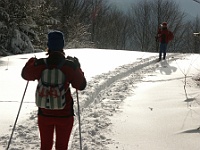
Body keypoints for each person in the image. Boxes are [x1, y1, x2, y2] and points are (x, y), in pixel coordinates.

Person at [21, 31, 87, 150]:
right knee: (62, 147)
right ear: (62, 45)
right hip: (65, 114)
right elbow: (81, 85)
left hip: (44, 113)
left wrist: (31, 62)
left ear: (48, 45)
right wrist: (77, 66)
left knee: (45, 146)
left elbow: (25, 74)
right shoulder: (69, 66)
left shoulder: (41, 64)